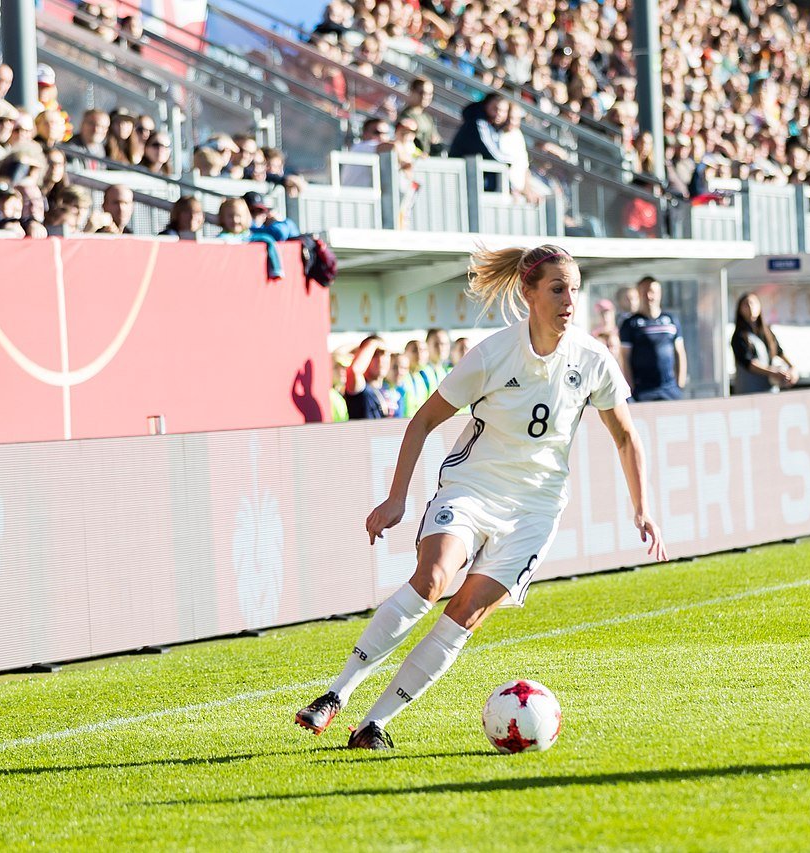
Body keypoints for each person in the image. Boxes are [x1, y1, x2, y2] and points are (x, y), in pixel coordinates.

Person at [294, 244, 668, 749]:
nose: (569, 301)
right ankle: (335, 694)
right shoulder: (493, 353)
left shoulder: (592, 358)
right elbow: (423, 420)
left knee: (464, 614)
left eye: (574, 290)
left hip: (536, 510)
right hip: (472, 489)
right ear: (528, 294)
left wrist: (642, 509)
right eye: (558, 289)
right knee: (431, 580)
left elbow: (625, 436)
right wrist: (397, 498)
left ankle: (375, 723)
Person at [618, 276, 687, 401]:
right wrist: (630, 387)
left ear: (659, 294)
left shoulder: (671, 320)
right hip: (643, 391)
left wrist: (680, 383)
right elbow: (624, 357)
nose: (649, 296)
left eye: (652, 292)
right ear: (639, 294)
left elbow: (680, 352)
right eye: (644, 292)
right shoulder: (630, 324)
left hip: (670, 389)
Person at [731, 292, 796, 394]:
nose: (750, 307)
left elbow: (779, 352)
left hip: (769, 391)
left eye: (753, 303)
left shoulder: (767, 333)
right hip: (749, 393)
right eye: (746, 304)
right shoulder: (739, 336)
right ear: (740, 310)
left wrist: (792, 369)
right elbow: (749, 364)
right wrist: (773, 373)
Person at [342, 335, 396, 419]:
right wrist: (374, 343)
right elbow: (355, 370)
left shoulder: (387, 388)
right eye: (374, 355)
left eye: (384, 354)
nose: (381, 360)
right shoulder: (360, 388)